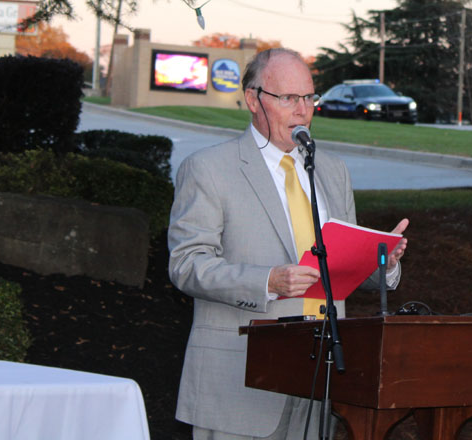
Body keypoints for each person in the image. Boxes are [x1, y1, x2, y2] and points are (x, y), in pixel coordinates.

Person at [168, 48, 409, 440]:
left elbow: (340, 269)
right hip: (240, 381)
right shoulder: (209, 169)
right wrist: (268, 281)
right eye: (288, 98)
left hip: (319, 379)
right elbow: (186, 265)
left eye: (309, 97)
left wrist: (382, 260)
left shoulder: (331, 171)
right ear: (252, 99)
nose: (303, 111)